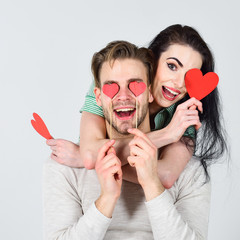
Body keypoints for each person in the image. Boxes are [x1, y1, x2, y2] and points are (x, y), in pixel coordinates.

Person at [43, 41, 210, 239]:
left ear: (150, 93)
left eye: (135, 86)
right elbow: (88, 157)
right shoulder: (65, 167)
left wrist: (151, 185)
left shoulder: (191, 172)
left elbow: (165, 176)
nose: (123, 96)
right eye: (111, 88)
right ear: (97, 97)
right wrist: (106, 200)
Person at [47, 24, 228, 188]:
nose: (179, 83)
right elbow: (89, 155)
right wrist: (166, 135)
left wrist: (95, 159)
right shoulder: (111, 86)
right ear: (153, 60)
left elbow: (165, 175)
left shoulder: (185, 118)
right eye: (172, 66)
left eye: (190, 76)